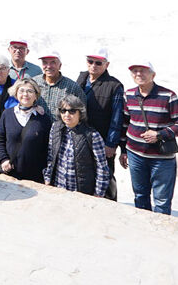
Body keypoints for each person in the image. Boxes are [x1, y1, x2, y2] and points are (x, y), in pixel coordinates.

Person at [119, 61, 178, 215]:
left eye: (143, 71)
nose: (138, 74)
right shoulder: (128, 95)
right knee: (140, 196)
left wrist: (159, 134)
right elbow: (124, 125)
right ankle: (145, 233)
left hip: (162, 159)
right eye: (135, 71)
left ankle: (162, 234)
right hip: (135, 155)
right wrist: (123, 151)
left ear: (153, 75)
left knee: (162, 201)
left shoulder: (168, 96)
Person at [75, 47, 124, 200]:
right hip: (81, 137)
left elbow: (117, 117)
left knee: (105, 174)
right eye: (90, 61)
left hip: (102, 139)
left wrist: (111, 143)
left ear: (106, 65)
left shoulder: (114, 85)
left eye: (98, 63)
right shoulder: (82, 78)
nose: (93, 65)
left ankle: (109, 202)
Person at [44, 95, 110, 198]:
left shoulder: (92, 135)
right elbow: (50, 156)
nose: (67, 114)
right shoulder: (55, 128)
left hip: (81, 191)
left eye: (72, 111)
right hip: (58, 187)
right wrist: (47, 178)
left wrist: (98, 194)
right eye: (63, 111)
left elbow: (102, 167)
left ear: (80, 112)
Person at [0, 77, 51, 183]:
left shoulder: (43, 119)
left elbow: (47, 148)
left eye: (30, 91)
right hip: (9, 172)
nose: (25, 94)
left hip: (34, 175)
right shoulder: (7, 114)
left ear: (36, 95)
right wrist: (4, 159)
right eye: (21, 91)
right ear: (16, 93)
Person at [34, 52, 83, 122]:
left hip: (61, 131)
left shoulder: (72, 86)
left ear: (60, 65)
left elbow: (82, 111)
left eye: (53, 62)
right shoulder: (34, 83)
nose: (48, 66)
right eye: (45, 62)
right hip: (38, 129)